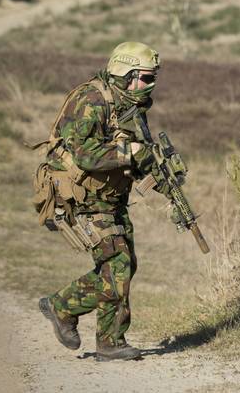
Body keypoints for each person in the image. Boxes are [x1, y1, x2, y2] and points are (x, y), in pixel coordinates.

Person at [38, 41, 160, 361]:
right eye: (146, 77)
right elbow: (85, 155)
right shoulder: (90, 100)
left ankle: (90, 327)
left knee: (123, 265)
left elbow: (129, 148)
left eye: (153, 77)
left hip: (110, 196)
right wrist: (129, 153)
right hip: (82, 196)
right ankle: (86, 324)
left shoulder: (129, 104)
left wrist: (150, 166)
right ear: (127, 74)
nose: (151, 84)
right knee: (116, 264)